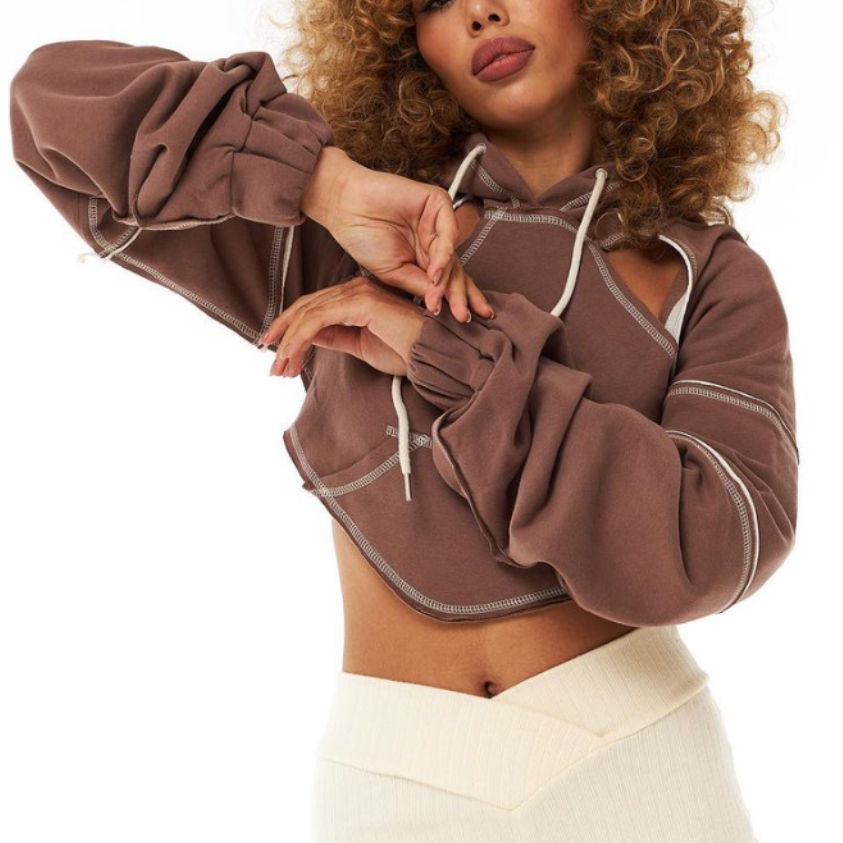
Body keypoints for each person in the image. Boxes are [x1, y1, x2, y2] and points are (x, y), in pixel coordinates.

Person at [9, 0, 796, 839]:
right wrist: (324, 183)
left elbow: (720, 542)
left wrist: (444, 350)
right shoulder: (342, 234)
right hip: (393, 771)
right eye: (430, 2)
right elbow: (47, 106)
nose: (480, 12)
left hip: (631, 757)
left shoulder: (702, 272)